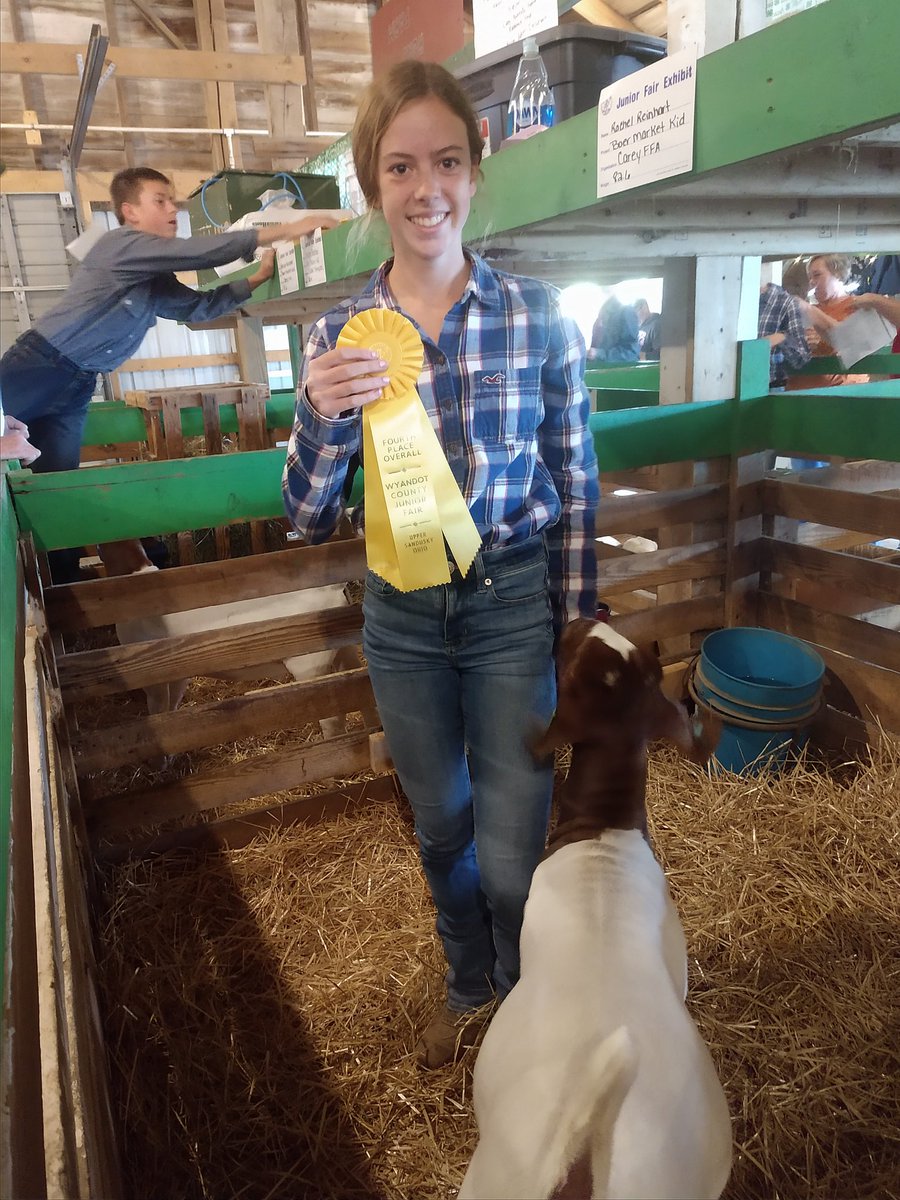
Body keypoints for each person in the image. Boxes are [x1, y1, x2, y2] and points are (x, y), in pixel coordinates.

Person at [282, 61, 599, 1068]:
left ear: (476, 167)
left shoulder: (538, 317)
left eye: (448, 162)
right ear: (375, 188)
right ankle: (468, 983)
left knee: (514, 849)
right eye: (402, 167)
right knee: (442, 826)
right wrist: (319, 416)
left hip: (510, 601)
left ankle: (521, 998)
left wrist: (579, 619)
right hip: (404, 618)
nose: (429, 190)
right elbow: (303, 515)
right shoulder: (337, 336)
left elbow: (575, 475)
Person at [0, 166, 337, 581]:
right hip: (39, 364)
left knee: (57, 489)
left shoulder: (151, 277)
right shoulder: (118, 245)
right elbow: (198, 253)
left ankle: (57, 589)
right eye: (160, 200)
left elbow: (196, 309)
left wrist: (255, 279)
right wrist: (288, 229)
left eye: (173, 202)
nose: (173, 210)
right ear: (130, 211)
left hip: (78, 383)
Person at [787, 253, 868, 391]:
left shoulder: (858, 307)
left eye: (817, 275)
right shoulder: (807, 311)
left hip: (839, 394)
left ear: (837, 273)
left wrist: (822, 337)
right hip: (799, 393)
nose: (811, 281)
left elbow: (856, 346)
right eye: (810, 277)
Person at [757, 282, 811, 389]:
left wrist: (782, 338)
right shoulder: (727, 300)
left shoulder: (785, 302)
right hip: (728, 385)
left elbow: (802, 357)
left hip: (769, 388)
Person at [589, 294, 639, 363]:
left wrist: (599, 354)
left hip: (621, 372)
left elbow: (630, 353)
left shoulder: (626, 311)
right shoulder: (600, 317)